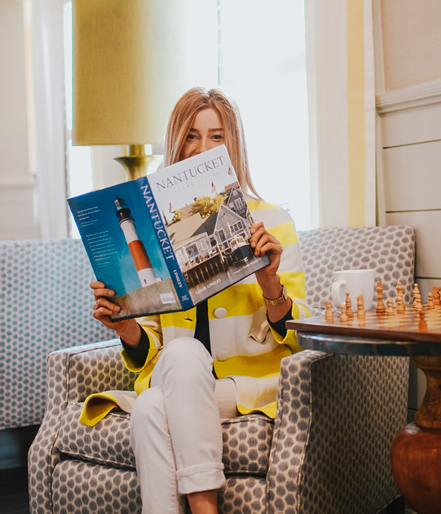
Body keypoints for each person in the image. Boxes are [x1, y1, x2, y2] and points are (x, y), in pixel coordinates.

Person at [89, 87, 310, 514]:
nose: (203, 148)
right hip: (176, 376)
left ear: (234, 146)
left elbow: (300, 337)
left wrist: (269, 283)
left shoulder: (273, 221)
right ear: (177, 144)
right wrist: (126, 327)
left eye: (216, 136)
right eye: (191, 136)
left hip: (241, 388)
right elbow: (149, 347)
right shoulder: (156, 237)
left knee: (152, 407)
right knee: (179, 360)